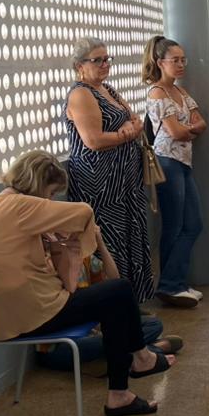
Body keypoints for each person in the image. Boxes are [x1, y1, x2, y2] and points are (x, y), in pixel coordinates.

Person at [0, 151, 175, 416]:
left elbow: (65, 284)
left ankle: (135, 368)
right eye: (51, 194)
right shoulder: (20, 206)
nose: (50, 202)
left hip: (7, 320)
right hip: (34, 314)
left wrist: (57, 242)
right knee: (119, 292)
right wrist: (74, 237)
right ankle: (137, 363)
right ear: (39, 186)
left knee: (114, 301)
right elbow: (84, 212)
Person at [65, 37, 154, 302]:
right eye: (98, 60)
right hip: (100, 184)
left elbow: (134, 119)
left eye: (107, 59)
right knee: (110, 242)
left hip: (125, 179)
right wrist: (126, 134)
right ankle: (113, 307)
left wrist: (132, 127)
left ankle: (131, 303)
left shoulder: (108, 89)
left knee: (130, 235)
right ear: (80, 65)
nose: (105, 64)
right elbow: (93, 140)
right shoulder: (81, 93)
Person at [36, 226, 183, 374]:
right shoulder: (49, 261)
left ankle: (108, 360)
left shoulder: (84, 258)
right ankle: (152, 350)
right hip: (59, 347)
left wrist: (100, 244)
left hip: (91, 332)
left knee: (153, 324)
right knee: (116, 336)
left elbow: (116, 284)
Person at [143, 35, 207, 308]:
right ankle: (170, 285)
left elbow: (201, 123)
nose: (181, 65)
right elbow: (177, 131)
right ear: (160, 62)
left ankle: (174, 282)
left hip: (182, 162)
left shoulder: (180, 92)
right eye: (175, 60)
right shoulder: (156, 92)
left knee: (193, 223)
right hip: (167, 162)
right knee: (174, 225)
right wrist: (188, 129)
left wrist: (188, 130)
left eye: (183, 60)